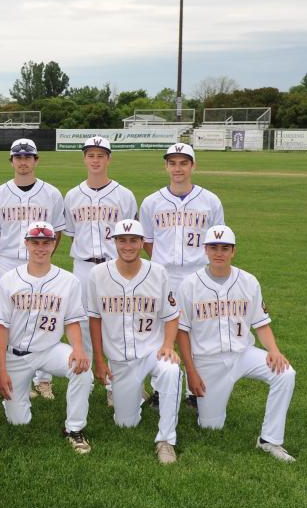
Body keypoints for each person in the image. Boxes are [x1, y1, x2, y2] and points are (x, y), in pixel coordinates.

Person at [177, 225, 296, 462]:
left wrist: (274, 350)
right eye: (213, 247)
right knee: (211, 427)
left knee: (285, 373)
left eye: (225, 248)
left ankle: (269, 440)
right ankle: (202, 406)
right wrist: (191, 372)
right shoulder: (189, 284)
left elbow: (261, 323)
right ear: (205, 250)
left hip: (243, 354)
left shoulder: (248, 281)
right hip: (208, 361)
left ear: (233, 251)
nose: (219, 252)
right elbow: (182, 332)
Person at [87, 219, 182, 464]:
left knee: (171, 370)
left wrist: (168, 346)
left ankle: (166, 440)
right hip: (119, 358)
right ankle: (136, 392)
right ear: (115, 242)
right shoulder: (98, 274)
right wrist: (99, 359)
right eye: (122, 240)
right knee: (125, 423)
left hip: (152, 352)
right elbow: (95, 319)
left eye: (133, 240)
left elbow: (172, 317)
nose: (127, 246)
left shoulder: (158, 272)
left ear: (142, 243)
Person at [0, 221, 94, 455]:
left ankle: (74, 429)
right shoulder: (9, 280)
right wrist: (1, 370)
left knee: (82, 369)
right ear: (27, 244)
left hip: (49, 350)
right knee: (18, 421)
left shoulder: (68, 280)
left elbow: (72, 320)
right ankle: (16, 397)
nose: (41, 247)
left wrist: (78, 348)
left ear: (53, 244)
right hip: (15, 355)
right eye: (35, 242)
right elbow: (1, 327)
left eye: (46, 242)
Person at [140, 143, 224, 409]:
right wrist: (165, 265)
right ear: (166, 166)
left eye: (183, 163)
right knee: (160, 331)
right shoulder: (152, 201)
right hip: (163, 275)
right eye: (173, 163)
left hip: (198, 274)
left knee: (198, 331)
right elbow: (148, 241)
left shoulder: (210, 201)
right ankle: (160, 389)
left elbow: (217, 242)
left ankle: (194, 390)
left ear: (193, 166)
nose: (178, 168)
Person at [0, 138, 66, 400]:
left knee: (44, 315)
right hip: (9, 261)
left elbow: (57, 233)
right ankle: (7, 374)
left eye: (28, 157)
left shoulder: (51, 193)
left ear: (36, 160)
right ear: (12, 161)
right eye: (18, 157)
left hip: (42, 261)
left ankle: (44, 380)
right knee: (9, 319)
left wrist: (44, 256)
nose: (23, 162)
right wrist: (8, 255)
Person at [63, 136, 138, 407]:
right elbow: (72, 234)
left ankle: (114, 384)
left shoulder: (124, 195)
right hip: (83, 266)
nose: (95, 160)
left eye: (100, 155)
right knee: (82, 323)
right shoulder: (72, 195)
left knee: (115, 324)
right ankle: (85, 378)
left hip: (113, 266)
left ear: (109, 158)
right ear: (84, 158)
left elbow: (131, 237)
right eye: (90, 155)